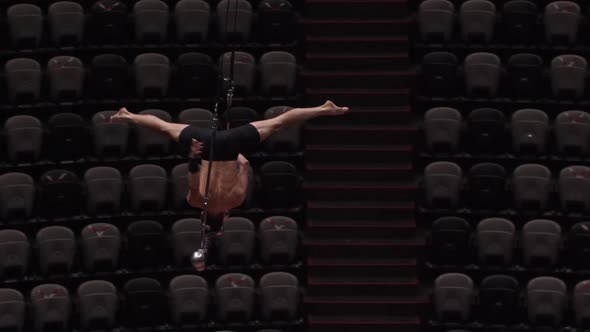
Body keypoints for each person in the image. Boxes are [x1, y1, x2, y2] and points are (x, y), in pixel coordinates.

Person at [110, 100, 349, 268]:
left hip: (231, 146)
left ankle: (323, 109)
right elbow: (192, 175)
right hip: (204, 148)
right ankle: (127, 115)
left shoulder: (235, 200)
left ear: (223, 219)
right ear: (205, 220)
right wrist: (194, 155)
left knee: (277, 123)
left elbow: (244, 167)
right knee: (164, 127)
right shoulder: (196, 201)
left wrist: (239, 157)